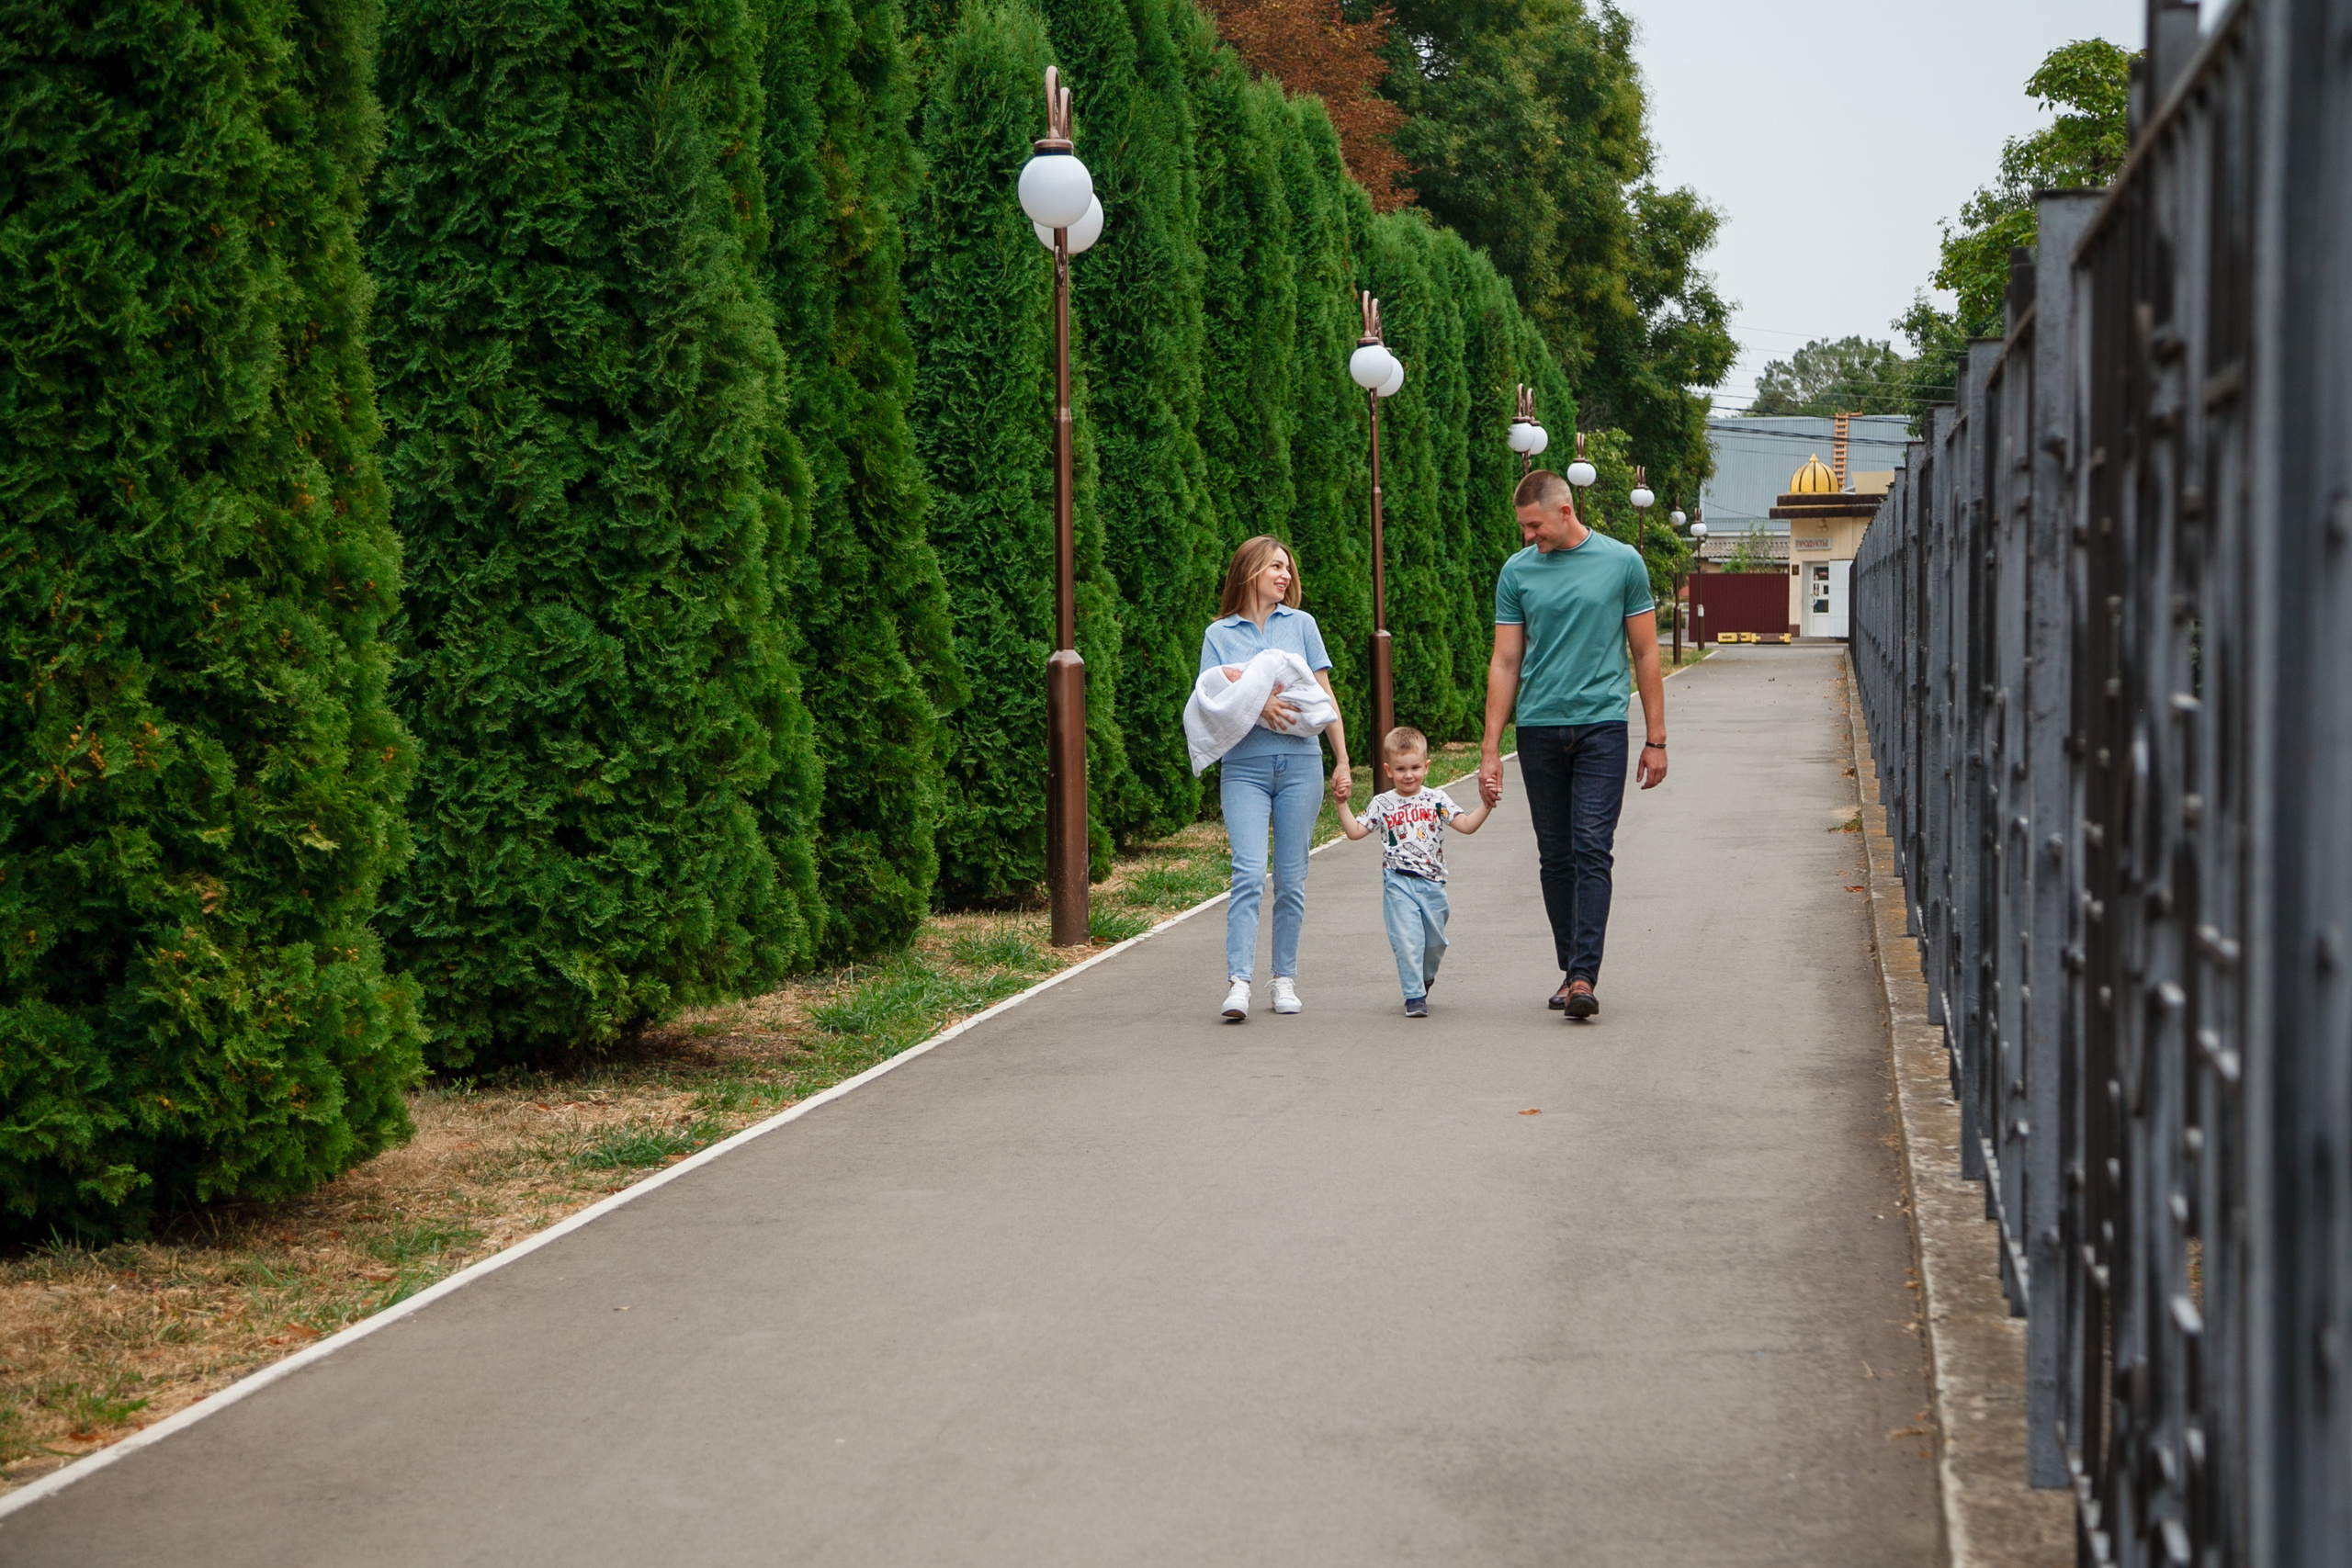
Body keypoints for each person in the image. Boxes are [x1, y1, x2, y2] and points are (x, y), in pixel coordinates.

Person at [1477, 468, 1668, 1021]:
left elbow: (1647, 653)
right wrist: (1491, 749)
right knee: (1555, 856)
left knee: (1591, 847)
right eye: (1523, 527)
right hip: (1537, 729)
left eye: (1534, 525)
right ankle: (1571, 970)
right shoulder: (1517, 572)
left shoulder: (1622, 562)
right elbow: (1506, 661)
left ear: (1564, 511)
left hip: (1601, 726)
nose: (1527, 535)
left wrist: (1656, 738)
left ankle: (1584, 974)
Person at [1200, 536, 1351, 1021]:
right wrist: (1257, 701)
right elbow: (1211, 699)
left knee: (1291, 879)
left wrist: (1342, 760)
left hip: (1301, 765)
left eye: (1288, 568)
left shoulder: (1302, 625)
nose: (1285, 576)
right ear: (1250, 571)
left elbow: (1324, 697)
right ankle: (1238, 983)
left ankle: (1283, 979)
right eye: (1275, 567)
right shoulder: (1219, 634)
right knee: (1247, 872)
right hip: (1243, 768)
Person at [1334, 727, 1493, 1017]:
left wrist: (1487, 805)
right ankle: (1414, 996)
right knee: (1408, 942)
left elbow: (1467, 825)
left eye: (1415, 768)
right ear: (1388, 770)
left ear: (1426, 766)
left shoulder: (1437, 800)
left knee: (1435, 944)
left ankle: (1425, 976)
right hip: (1398, 882)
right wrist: (1341, 803)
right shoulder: (1382, 804)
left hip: (1433, 883)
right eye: (1401, 769)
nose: (1409, 775)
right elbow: (1355, 832)